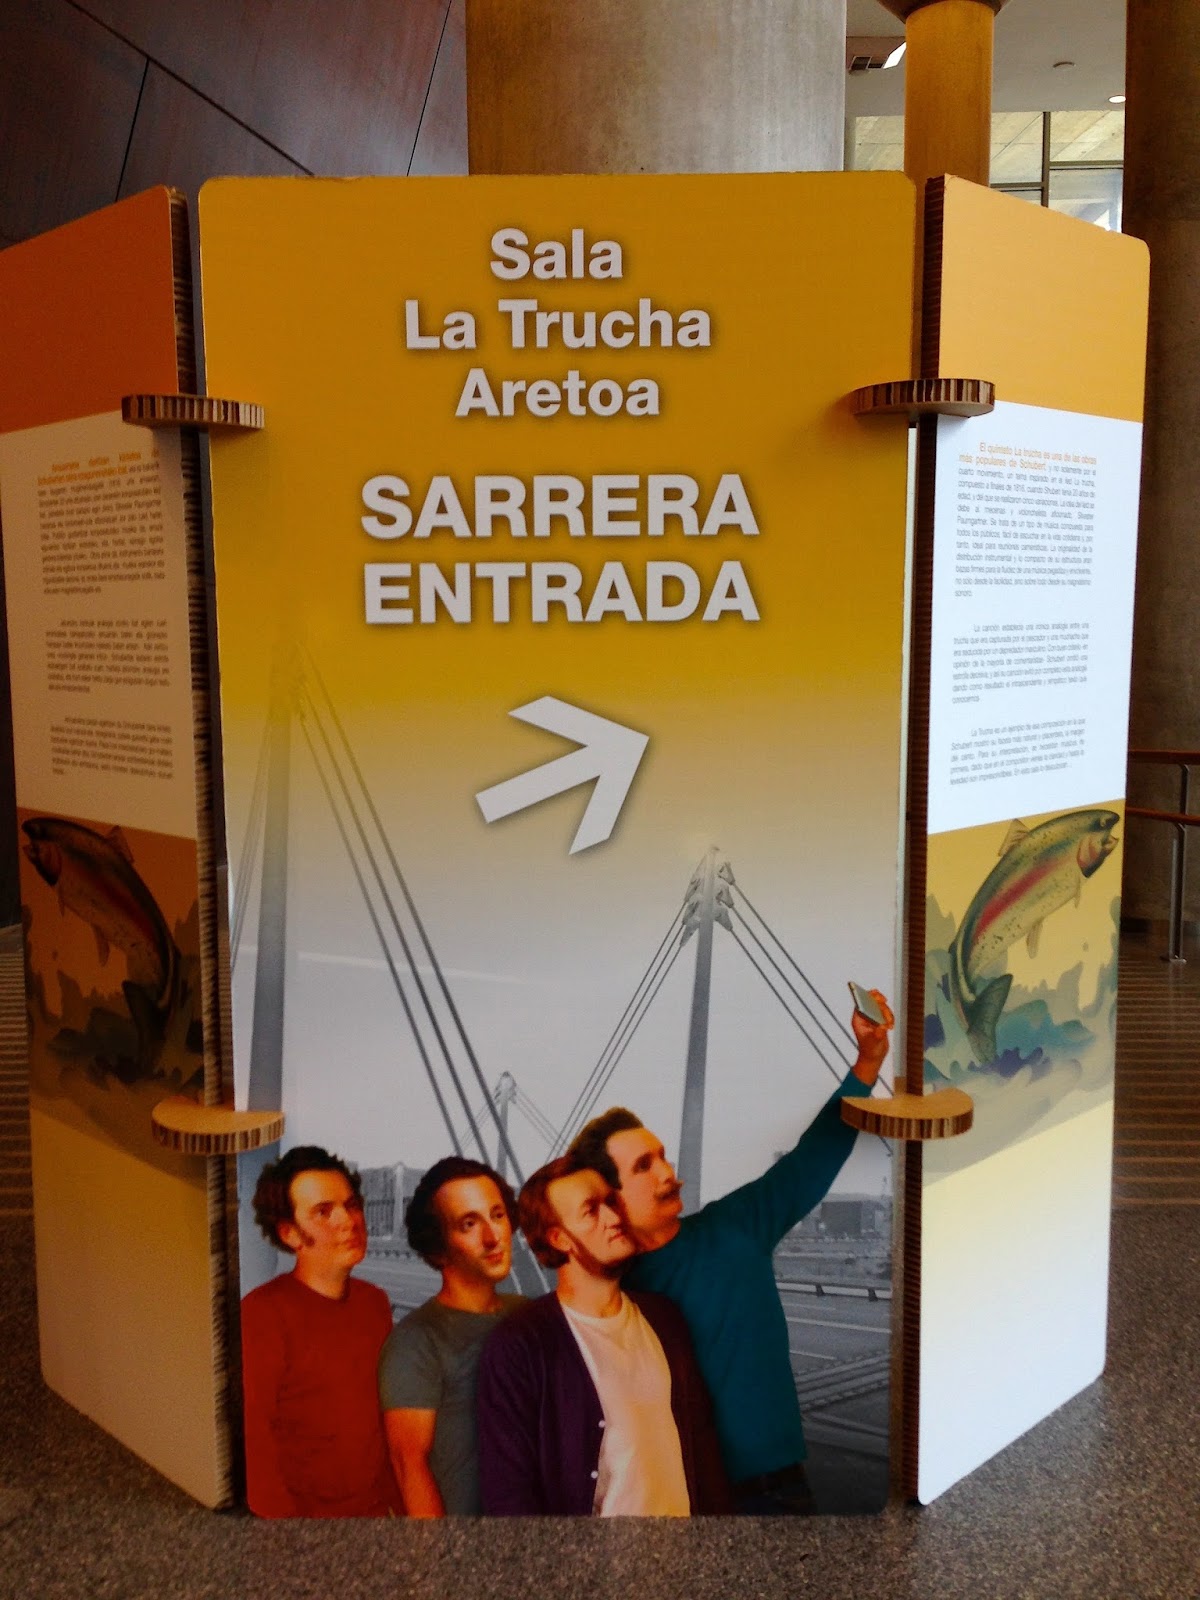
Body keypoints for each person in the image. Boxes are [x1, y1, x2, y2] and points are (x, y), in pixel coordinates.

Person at [567, 990, 894, 1514]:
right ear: (610, 1196)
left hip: (781, 1496)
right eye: (644, 1167)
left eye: (662, 1156)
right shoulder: (610, 1293)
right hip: (679, 1507)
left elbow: (813, 1157)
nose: (668, 1172)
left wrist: (867, 1064)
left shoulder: (735, 1226)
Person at [476, 1156, 729, 1517]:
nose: (613, 1217)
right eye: (591, 1211)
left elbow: (703, 1450)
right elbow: (509, 1496)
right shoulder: (520, 1344)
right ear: (559, 1238)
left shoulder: (665, 1320)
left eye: (611, 1201)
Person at [240, 1145, 402, 1518]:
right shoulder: (263, 1315)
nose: (349, 1221)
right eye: (324, 1211)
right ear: (290, 1233)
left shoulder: (373, 1303)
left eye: (352, 1204)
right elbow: (255, 1445)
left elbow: (382, 1423)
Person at [377, 1157, 523, 1516]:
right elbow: (409, 1466)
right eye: (469, 1224)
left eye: (498, 1215)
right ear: (438, 1248)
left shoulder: (527, 1315)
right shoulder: (416, 1342)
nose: (492, 1237)